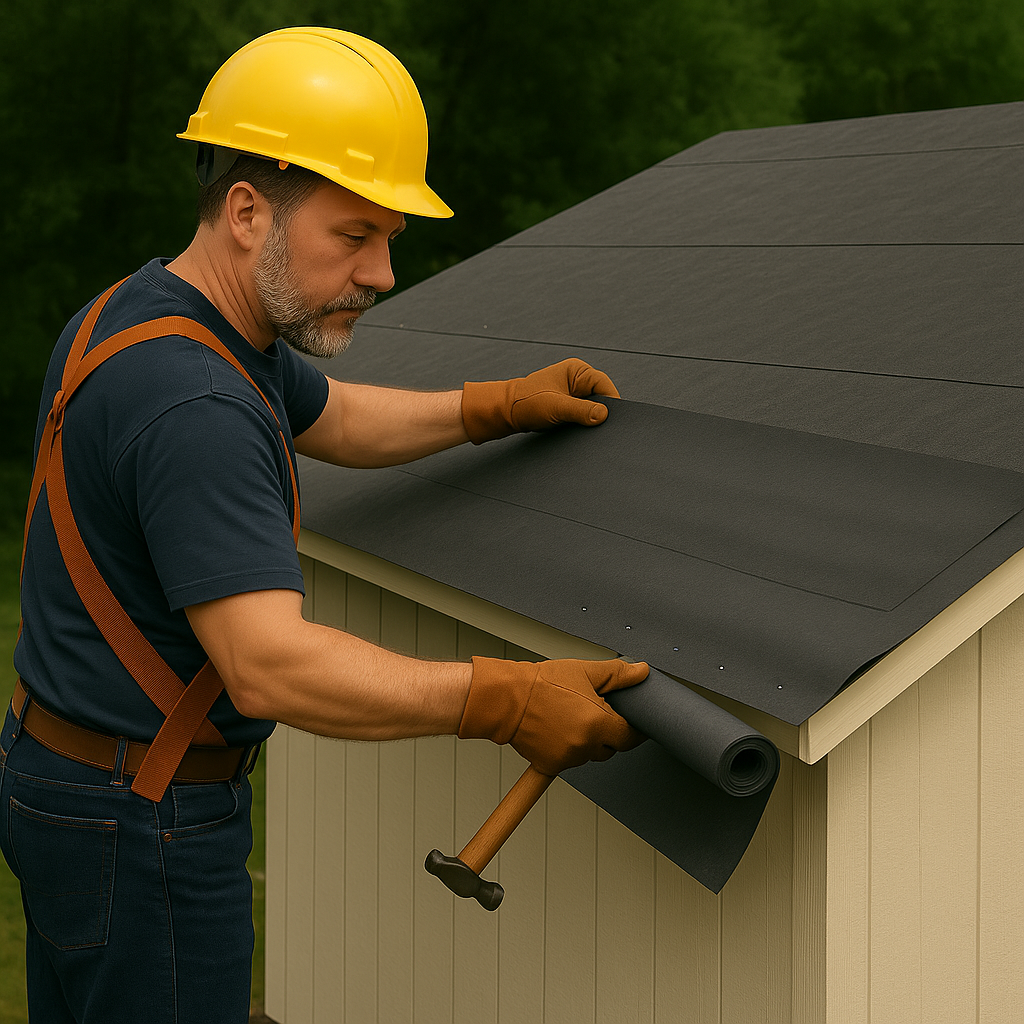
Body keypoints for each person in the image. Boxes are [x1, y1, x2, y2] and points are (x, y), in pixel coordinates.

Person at [0, 27, 648, 1024]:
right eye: (355, 236)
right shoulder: (196, 405)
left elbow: (335, 418)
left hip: (64, 781)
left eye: (389, 237)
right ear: (249, 212)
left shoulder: (154, 313)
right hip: (146, 831)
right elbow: (270, 664)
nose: (383, 271)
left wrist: (494, 405)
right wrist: (508, 700)